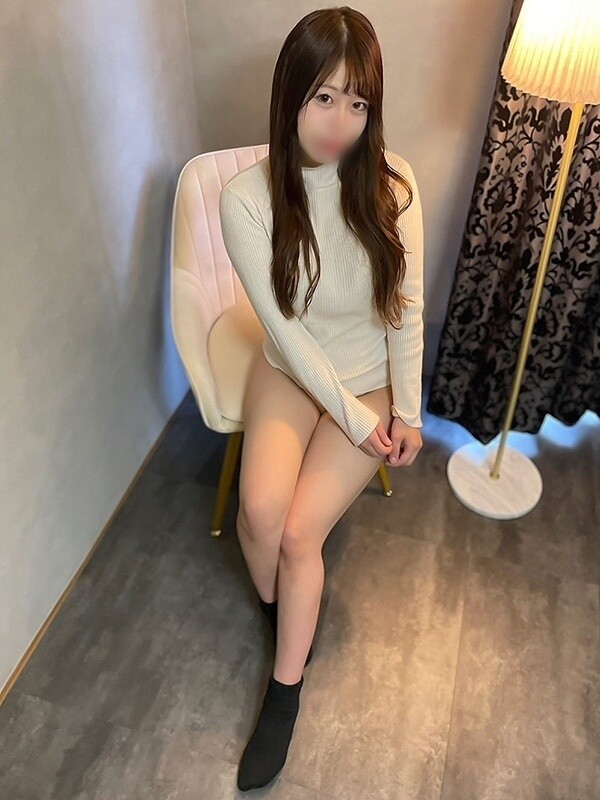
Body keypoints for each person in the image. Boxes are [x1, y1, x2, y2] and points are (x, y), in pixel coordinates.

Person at [219, 5, 425, 792]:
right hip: (290, 368)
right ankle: (282, 614)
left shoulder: (392, 187)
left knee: (302, 533)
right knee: (258, 516)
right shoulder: (247, 198)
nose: (341, 122)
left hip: (367, 376)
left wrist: (406, 410)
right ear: (291, 93)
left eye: (358, 102)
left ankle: (284, 688)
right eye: (324, 97)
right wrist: (353, 418)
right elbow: (285, 329)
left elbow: (404, 310)